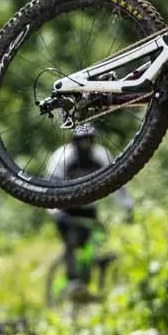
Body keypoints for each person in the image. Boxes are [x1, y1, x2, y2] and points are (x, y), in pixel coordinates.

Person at [44, 125, 133, 294]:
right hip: (65, 211)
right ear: (73, 142)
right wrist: (55, 212)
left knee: (96, 243)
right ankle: (72, 281)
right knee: (71, 242)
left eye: (89, 141)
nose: (85, 146)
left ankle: (89, 282)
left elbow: (117, 183)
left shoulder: (101, 155)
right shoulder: (62, 158)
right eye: (81, 142)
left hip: (88, 209)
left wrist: (127, 206)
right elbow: (50, 186)